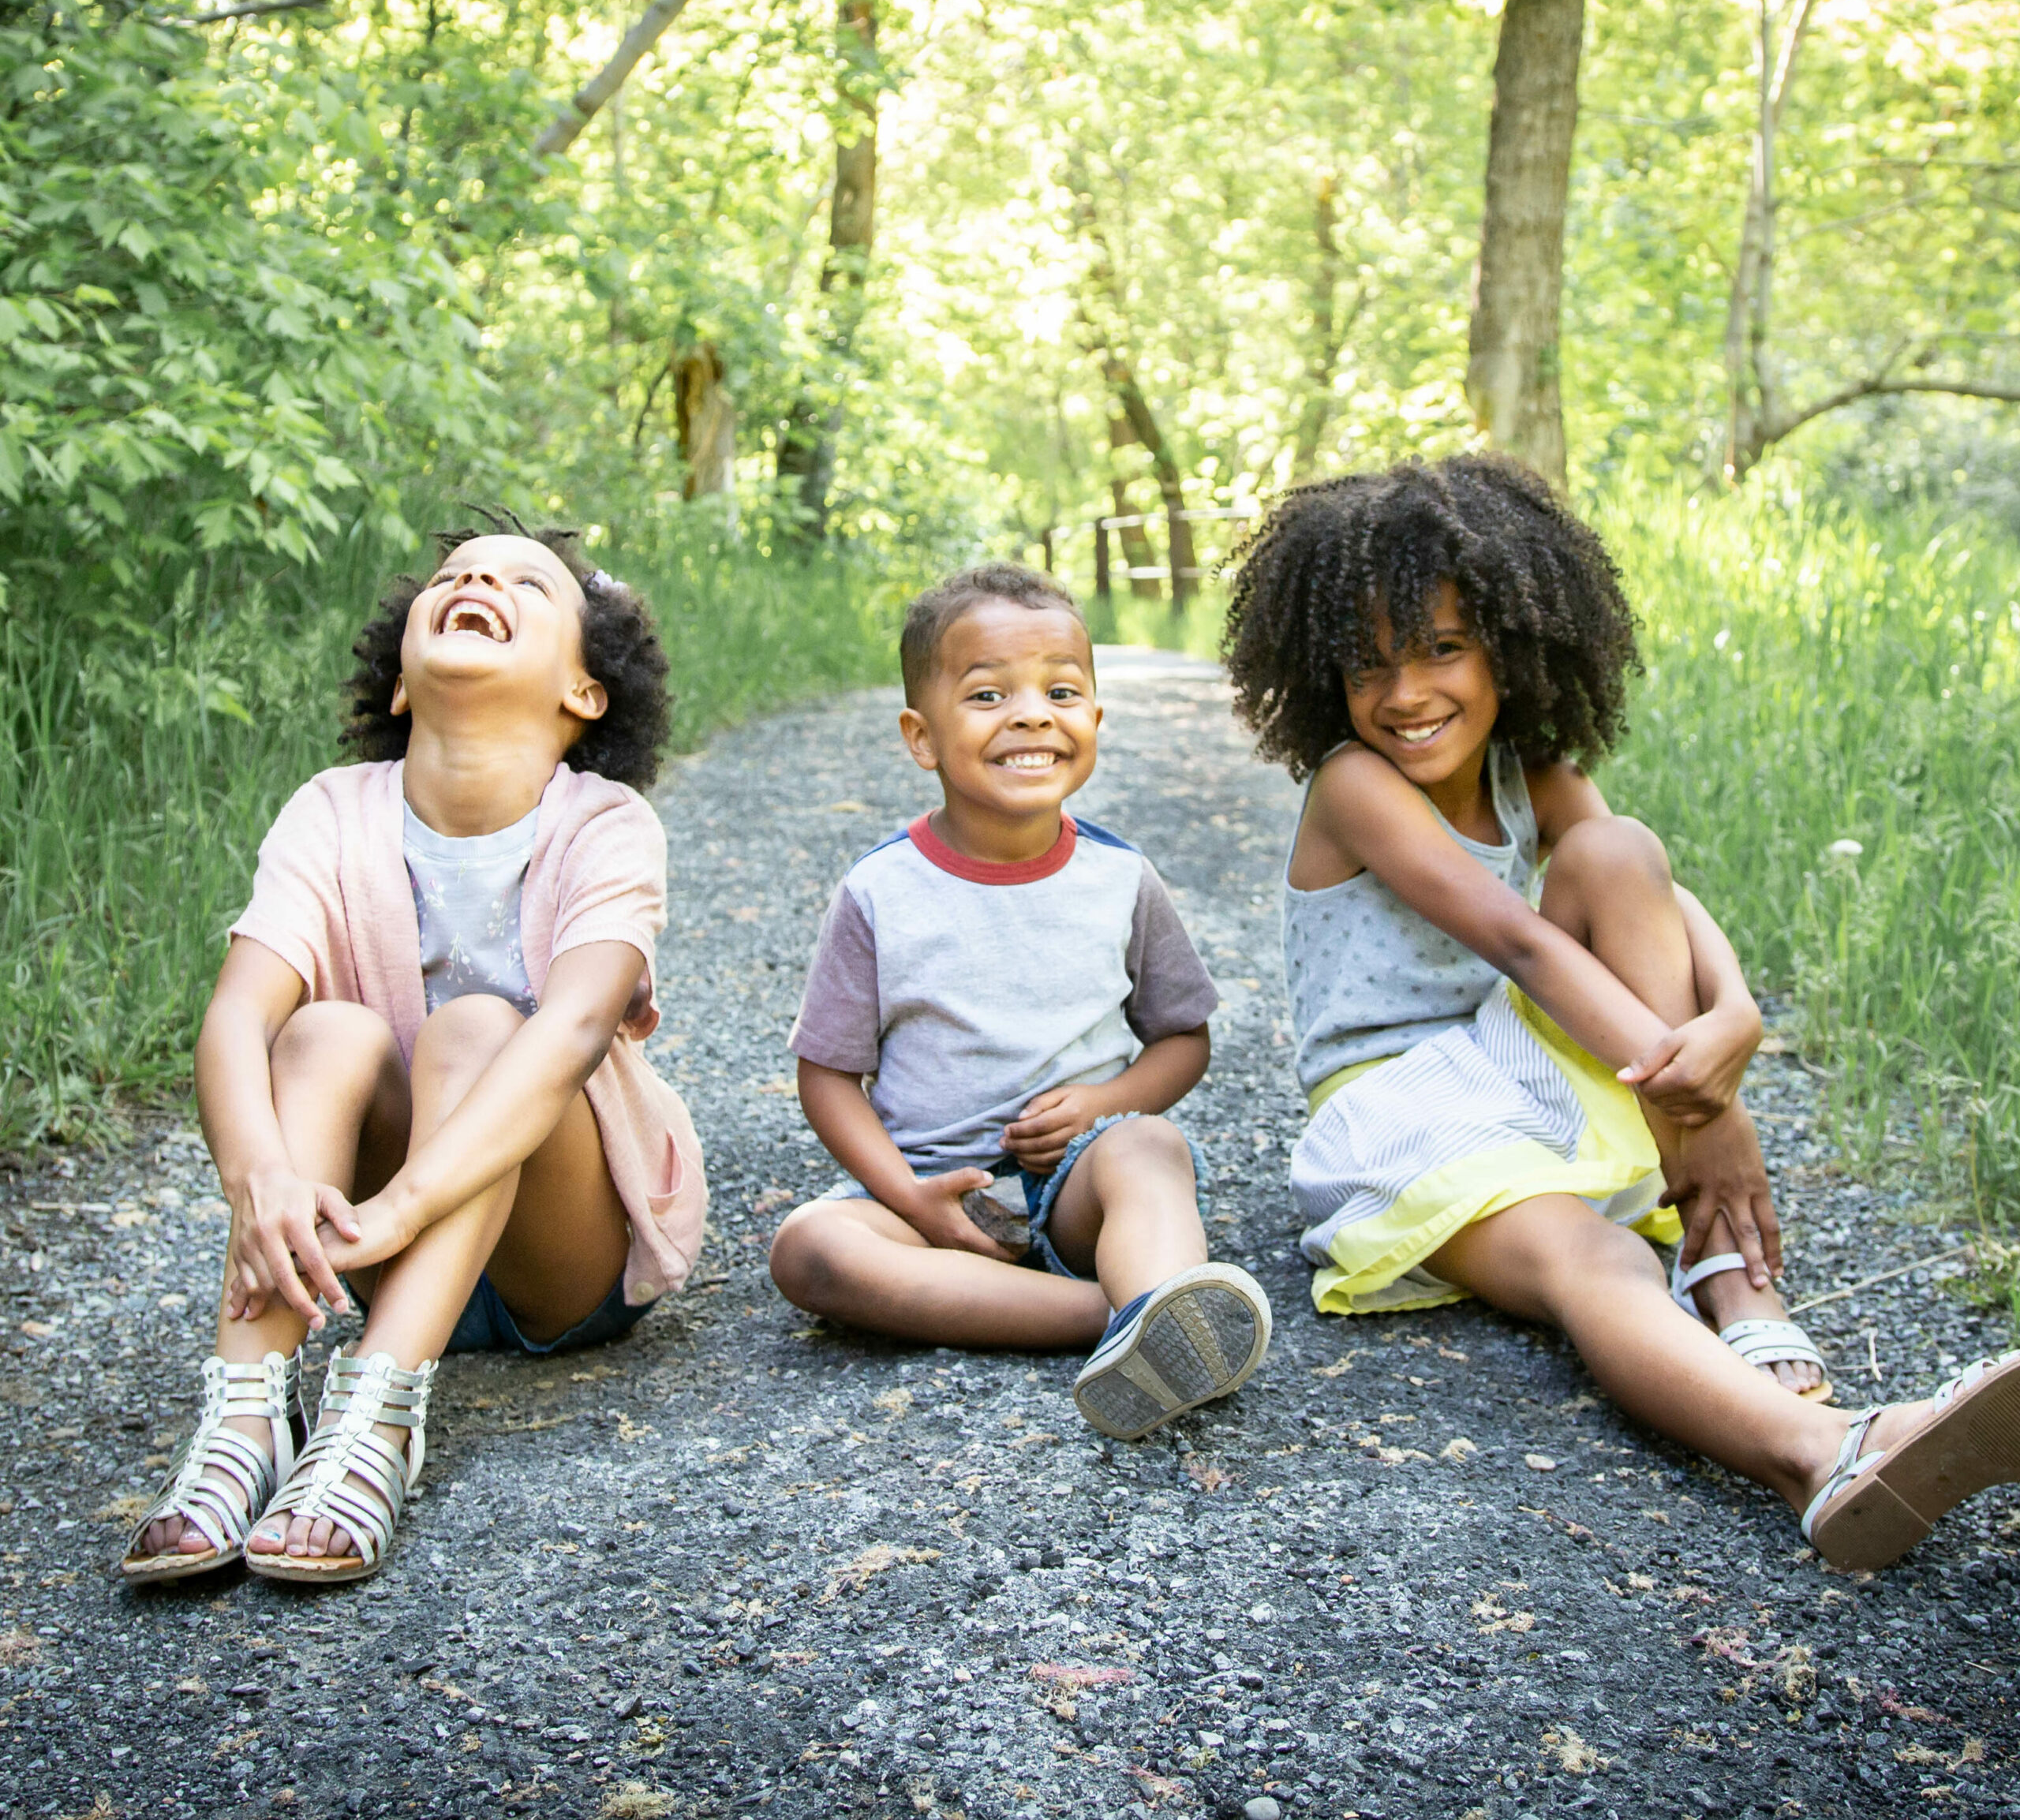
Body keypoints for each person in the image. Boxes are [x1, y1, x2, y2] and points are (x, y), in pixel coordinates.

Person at [1222, 454, 2020, 1570]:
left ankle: (1733, 1276)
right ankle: (1826, 1453)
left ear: (1515, 643)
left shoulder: (1530, 768)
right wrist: (1708, 1109)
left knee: (1616, 846)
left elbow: (1654, 889)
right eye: (1370, 665)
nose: (1406, 695)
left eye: (1444, 648)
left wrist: (1735, 1019)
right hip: (1406, 1110)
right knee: (1597, 1267)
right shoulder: (1356, 784)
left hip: (1522, 1061)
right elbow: (1521, 939)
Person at [121, 517, 706, 1586]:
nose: (480, 576)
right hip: (363, 1249)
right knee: (324, 1028)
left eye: (526, 582)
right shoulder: (330, 812)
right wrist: (257, 1184)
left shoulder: (605, 825)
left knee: (485, 1024)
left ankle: (378, 1410)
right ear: (399, 686)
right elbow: (235, 1021)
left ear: (584, 693)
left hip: (554, 1252)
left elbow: (575, 1030)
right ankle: (247, 1413)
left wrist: (405, 1204)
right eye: (456, 574)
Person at [769, 563, 1270, 1438]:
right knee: (810, 1249)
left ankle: (1151, 1299)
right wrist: (905, 1193)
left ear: (1095, 721)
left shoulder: (1120, 878)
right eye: (989, 693)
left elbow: (1182, 1040)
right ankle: (1121, 1321)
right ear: (921, 738)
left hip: (1077, 1184)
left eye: (1062, 690)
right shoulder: (880, 892)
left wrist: (1105, 1103)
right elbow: (827, 1076)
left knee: (1148, 1146)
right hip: (931, 1196)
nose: (1032, 713)